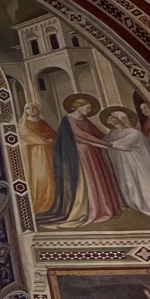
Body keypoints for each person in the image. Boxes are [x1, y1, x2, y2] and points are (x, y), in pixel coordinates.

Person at [44, 94, 121, 225]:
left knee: (98, 177)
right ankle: (92, 208)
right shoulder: (68, 120)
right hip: (80, 154)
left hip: (93, 152)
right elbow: (81, 134)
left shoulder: (86, 120)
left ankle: (103, 206)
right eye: (87, 107)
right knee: (89, 179)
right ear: (78, 106)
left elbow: (98, 134)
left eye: (89, 108)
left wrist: (116, 137)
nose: (89, 110)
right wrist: (107, 144)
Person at [94, 108, 150, 219]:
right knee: (127, 184)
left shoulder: (134, 133)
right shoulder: (113, 133)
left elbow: (120, 145)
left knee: (141, 184)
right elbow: (105, 141)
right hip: (122, 165)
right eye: (109, 117)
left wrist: (92, 142)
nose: (109, 119)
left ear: (120, 118)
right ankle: (131, 201)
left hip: (136, 165)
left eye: (113, 117)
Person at [17, 102, 55, 213]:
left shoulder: (42, 123)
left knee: (49, 177)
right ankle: (38, 204)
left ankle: (48, 203)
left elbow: (53, 134)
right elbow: (25, 136)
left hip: (47, 153)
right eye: (28, 108)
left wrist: (50, 139)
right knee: (39, 177)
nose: (31, 110)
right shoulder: (23, 123)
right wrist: (45, 140)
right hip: (34, 155)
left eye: (34, 108)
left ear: (38, 109)